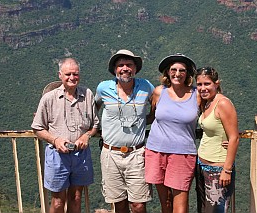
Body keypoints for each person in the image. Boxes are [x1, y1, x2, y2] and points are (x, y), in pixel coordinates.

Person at [31, 58, 99, 213]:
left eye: (75, 74)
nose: (72, 77)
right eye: (68, 74)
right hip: (57, 155)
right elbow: (37, 127)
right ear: (60, 75)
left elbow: (94, 124)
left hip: (81, 155)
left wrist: (86, 136)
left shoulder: (87, 94)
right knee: (57, 201)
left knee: (76, 198)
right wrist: (55, 140)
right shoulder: (49, 98)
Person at [95, 49, 154, 213]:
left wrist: (145, 120)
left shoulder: (146, 86)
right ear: (115, 70)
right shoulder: (103, 88)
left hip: (137, 154)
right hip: (110, 154)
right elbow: (93, 110)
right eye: (120, 65)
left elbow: (158, 107)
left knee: (139, 205)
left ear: (135, 68)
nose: (125, 68)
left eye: (129, 65)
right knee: (119, 204)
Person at [145, 53, 198, 213]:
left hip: (183, 153)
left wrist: (224, 138)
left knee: (180, 205)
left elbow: (211, 117)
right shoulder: (159, 92)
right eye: (173, 70)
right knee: (165, 203)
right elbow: (152, 116)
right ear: (167, 72)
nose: (177, 73)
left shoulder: (196, 95)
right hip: (156, 151)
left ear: (187, 74)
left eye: (182, 70)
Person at [195, 67, 239, 213]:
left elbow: (234, 137)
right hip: (202, 165)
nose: (203, 88)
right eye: (199, 84)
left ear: (217, 83)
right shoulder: (207, 102)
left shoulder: (223, 104)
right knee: (204, 209)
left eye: (207, 84)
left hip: (218, 168)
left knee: (215, 210)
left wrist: (227, 169)